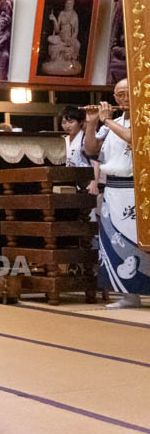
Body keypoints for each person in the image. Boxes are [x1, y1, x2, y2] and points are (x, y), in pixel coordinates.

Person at [83, 79, 147, 308]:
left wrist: (106, 120)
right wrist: (91, 124)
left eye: (128, 93)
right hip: (113, 189)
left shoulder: (144, 117)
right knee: (114, 241)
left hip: (138, 190)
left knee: (140, 241)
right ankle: (128, 295)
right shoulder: (113, 122)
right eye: (119, 94)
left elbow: (133, 138)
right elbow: (91, 150)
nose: (125, 98)